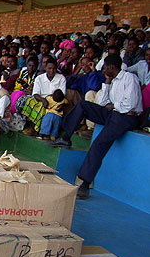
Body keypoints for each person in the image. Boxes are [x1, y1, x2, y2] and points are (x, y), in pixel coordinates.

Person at [52, 54, 142, 199]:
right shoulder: (112, 81)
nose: (104, 69)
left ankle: (85, 183)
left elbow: (130, 105)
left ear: (112, 67)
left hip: (126, 117)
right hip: (114, 114)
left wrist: (113, 105)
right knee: (83, 105)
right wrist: (106, 83)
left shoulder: (129, 78)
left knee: (100, 143)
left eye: (106, 67)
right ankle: (66, 136)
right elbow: (102, 103)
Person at [17, 58, 66, 134]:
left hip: (55, 101)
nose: (52, 71)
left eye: (54, 68)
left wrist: (50, 100)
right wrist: (43, 100)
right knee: (29, 101)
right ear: (45, 68)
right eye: (49, 68)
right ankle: (30, 125)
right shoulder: (39, 78)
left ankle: (35, 128)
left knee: (43, 108)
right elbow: (35, 93)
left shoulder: (61, 78)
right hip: (41, 99)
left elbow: (62, 95)